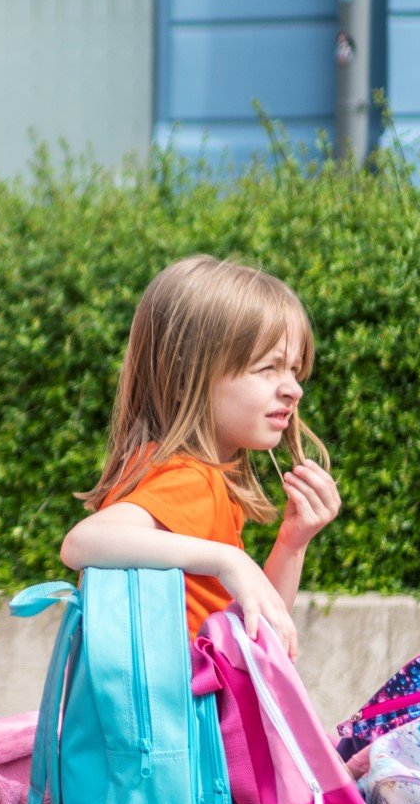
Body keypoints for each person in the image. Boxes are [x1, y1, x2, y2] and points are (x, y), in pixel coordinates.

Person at [60, 254, 341, 657]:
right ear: (184, 376)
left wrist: (291, 543)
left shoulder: (189, 472)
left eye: (294, 370)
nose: (293, 389)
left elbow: (262, 638)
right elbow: (83, 541)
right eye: (268, 368)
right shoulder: (191, 479)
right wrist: (230, 560)